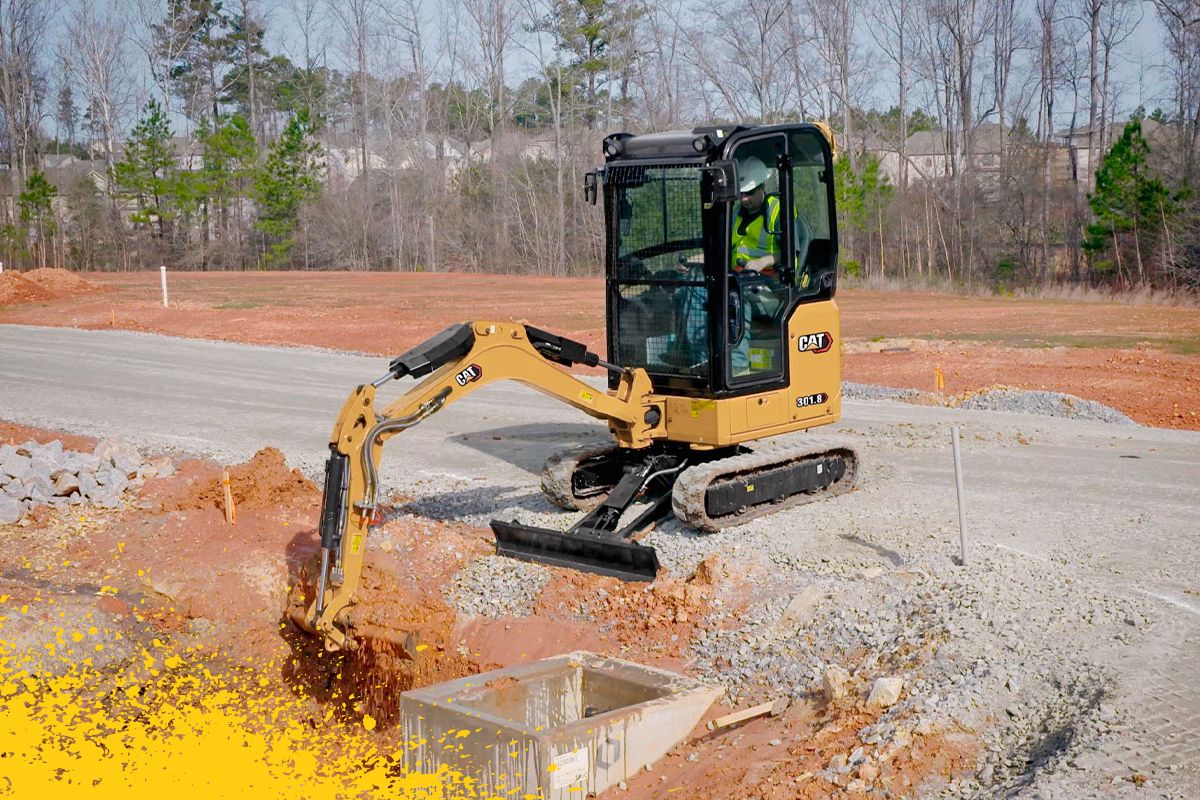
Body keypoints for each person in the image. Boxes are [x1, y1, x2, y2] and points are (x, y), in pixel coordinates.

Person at [731, 157, 783, 275]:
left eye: (749, 193)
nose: (743, 199)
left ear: (762, 187)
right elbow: (723, 249)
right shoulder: (735, 212)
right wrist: (696, 260)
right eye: (740, 193)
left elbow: (791, 252)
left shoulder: (779, 211)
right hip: (737, 276)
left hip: (768, 279)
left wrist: (763, 262)